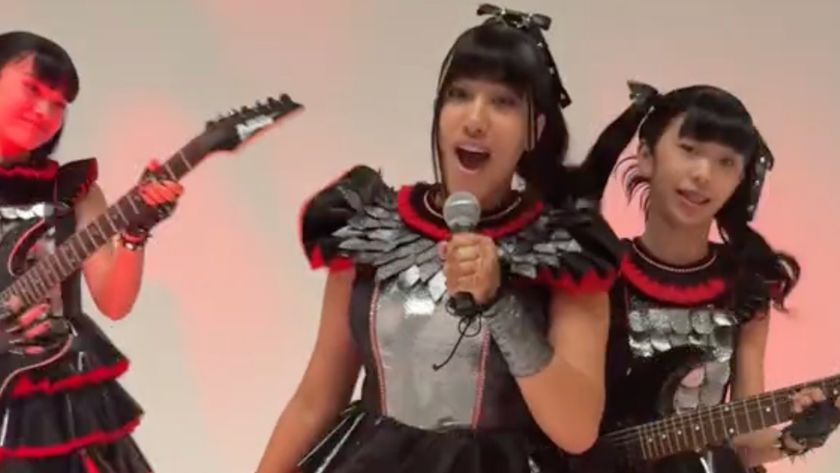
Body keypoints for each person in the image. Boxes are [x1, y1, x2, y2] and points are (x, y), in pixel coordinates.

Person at [254, 5, 623, 473]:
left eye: (503, 102)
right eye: (459, 95)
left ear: (536, 130)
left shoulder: (567, 250)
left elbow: (576, 429)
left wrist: (499, 303)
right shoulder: (370, 224)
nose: (475, 119)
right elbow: (315, 399)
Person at [573, 81, 840, 473]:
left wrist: (800, 435)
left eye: (726, 162)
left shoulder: (746, 290)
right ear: (646, 155)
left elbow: (745, 443)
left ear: (739, 182)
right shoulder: (596, 273)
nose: (704, 174)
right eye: (689, 150)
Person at [0, 31, 183, 472]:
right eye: (33, 88)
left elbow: (114, 302)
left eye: (60, 103)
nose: (45, 111)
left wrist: (136, 234)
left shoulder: (73, 191)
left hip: (53, 407)